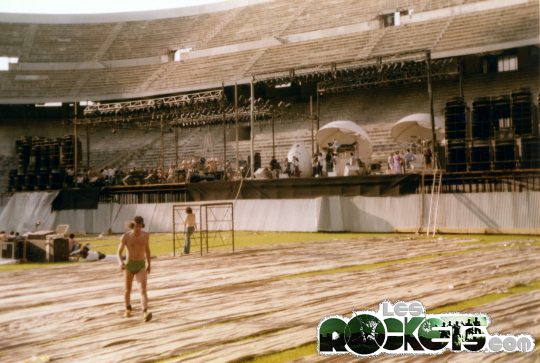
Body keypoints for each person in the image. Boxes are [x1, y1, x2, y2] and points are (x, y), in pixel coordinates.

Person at [116, 216, 152, 322]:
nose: (137, 229)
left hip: (141, 264)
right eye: (136, 226)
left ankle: (145, 312)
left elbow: (148, 250)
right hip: (129, 265)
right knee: (127, 289)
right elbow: (119, 252)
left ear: (142, 225)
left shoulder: (146, 235)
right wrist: (120, 262)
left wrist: (149, 264)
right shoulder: (125, 236)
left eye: (140, 226)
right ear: (133, 225)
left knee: (143, 290)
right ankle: (128, 308)